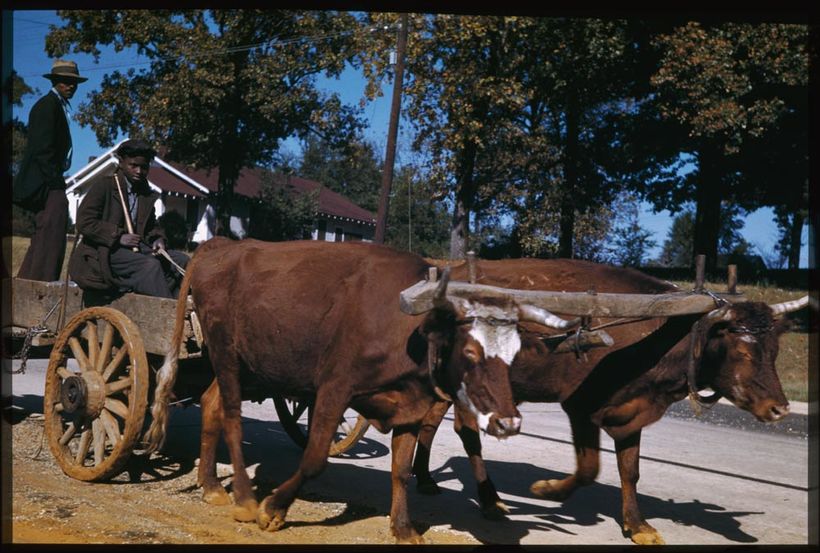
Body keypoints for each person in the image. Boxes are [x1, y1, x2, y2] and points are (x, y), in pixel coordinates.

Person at [69, 139, 189, 298]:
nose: (139, 171)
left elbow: (151, 227)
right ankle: (167, 314)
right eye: (133, 165)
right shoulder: (104, 186)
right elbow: (84, 222)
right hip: (104, 251)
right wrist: (118, 236)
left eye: (144, 167)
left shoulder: (145, 193)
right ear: (121, 163)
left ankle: (174, 305)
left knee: (181, 260)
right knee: (149, 266)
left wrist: (158, 239)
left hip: (137, 249)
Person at [13, 60, 87, 281]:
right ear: (55, 81)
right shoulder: (47, 105)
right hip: (45, 183)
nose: (71, 86)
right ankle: (40, 284)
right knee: (52, 232)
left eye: (74, 82)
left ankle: (29, 282)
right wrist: (55, 183)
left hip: (49, 180)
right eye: (66, 82)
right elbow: (41, 148)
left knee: (46, 233)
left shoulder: (56, 105)